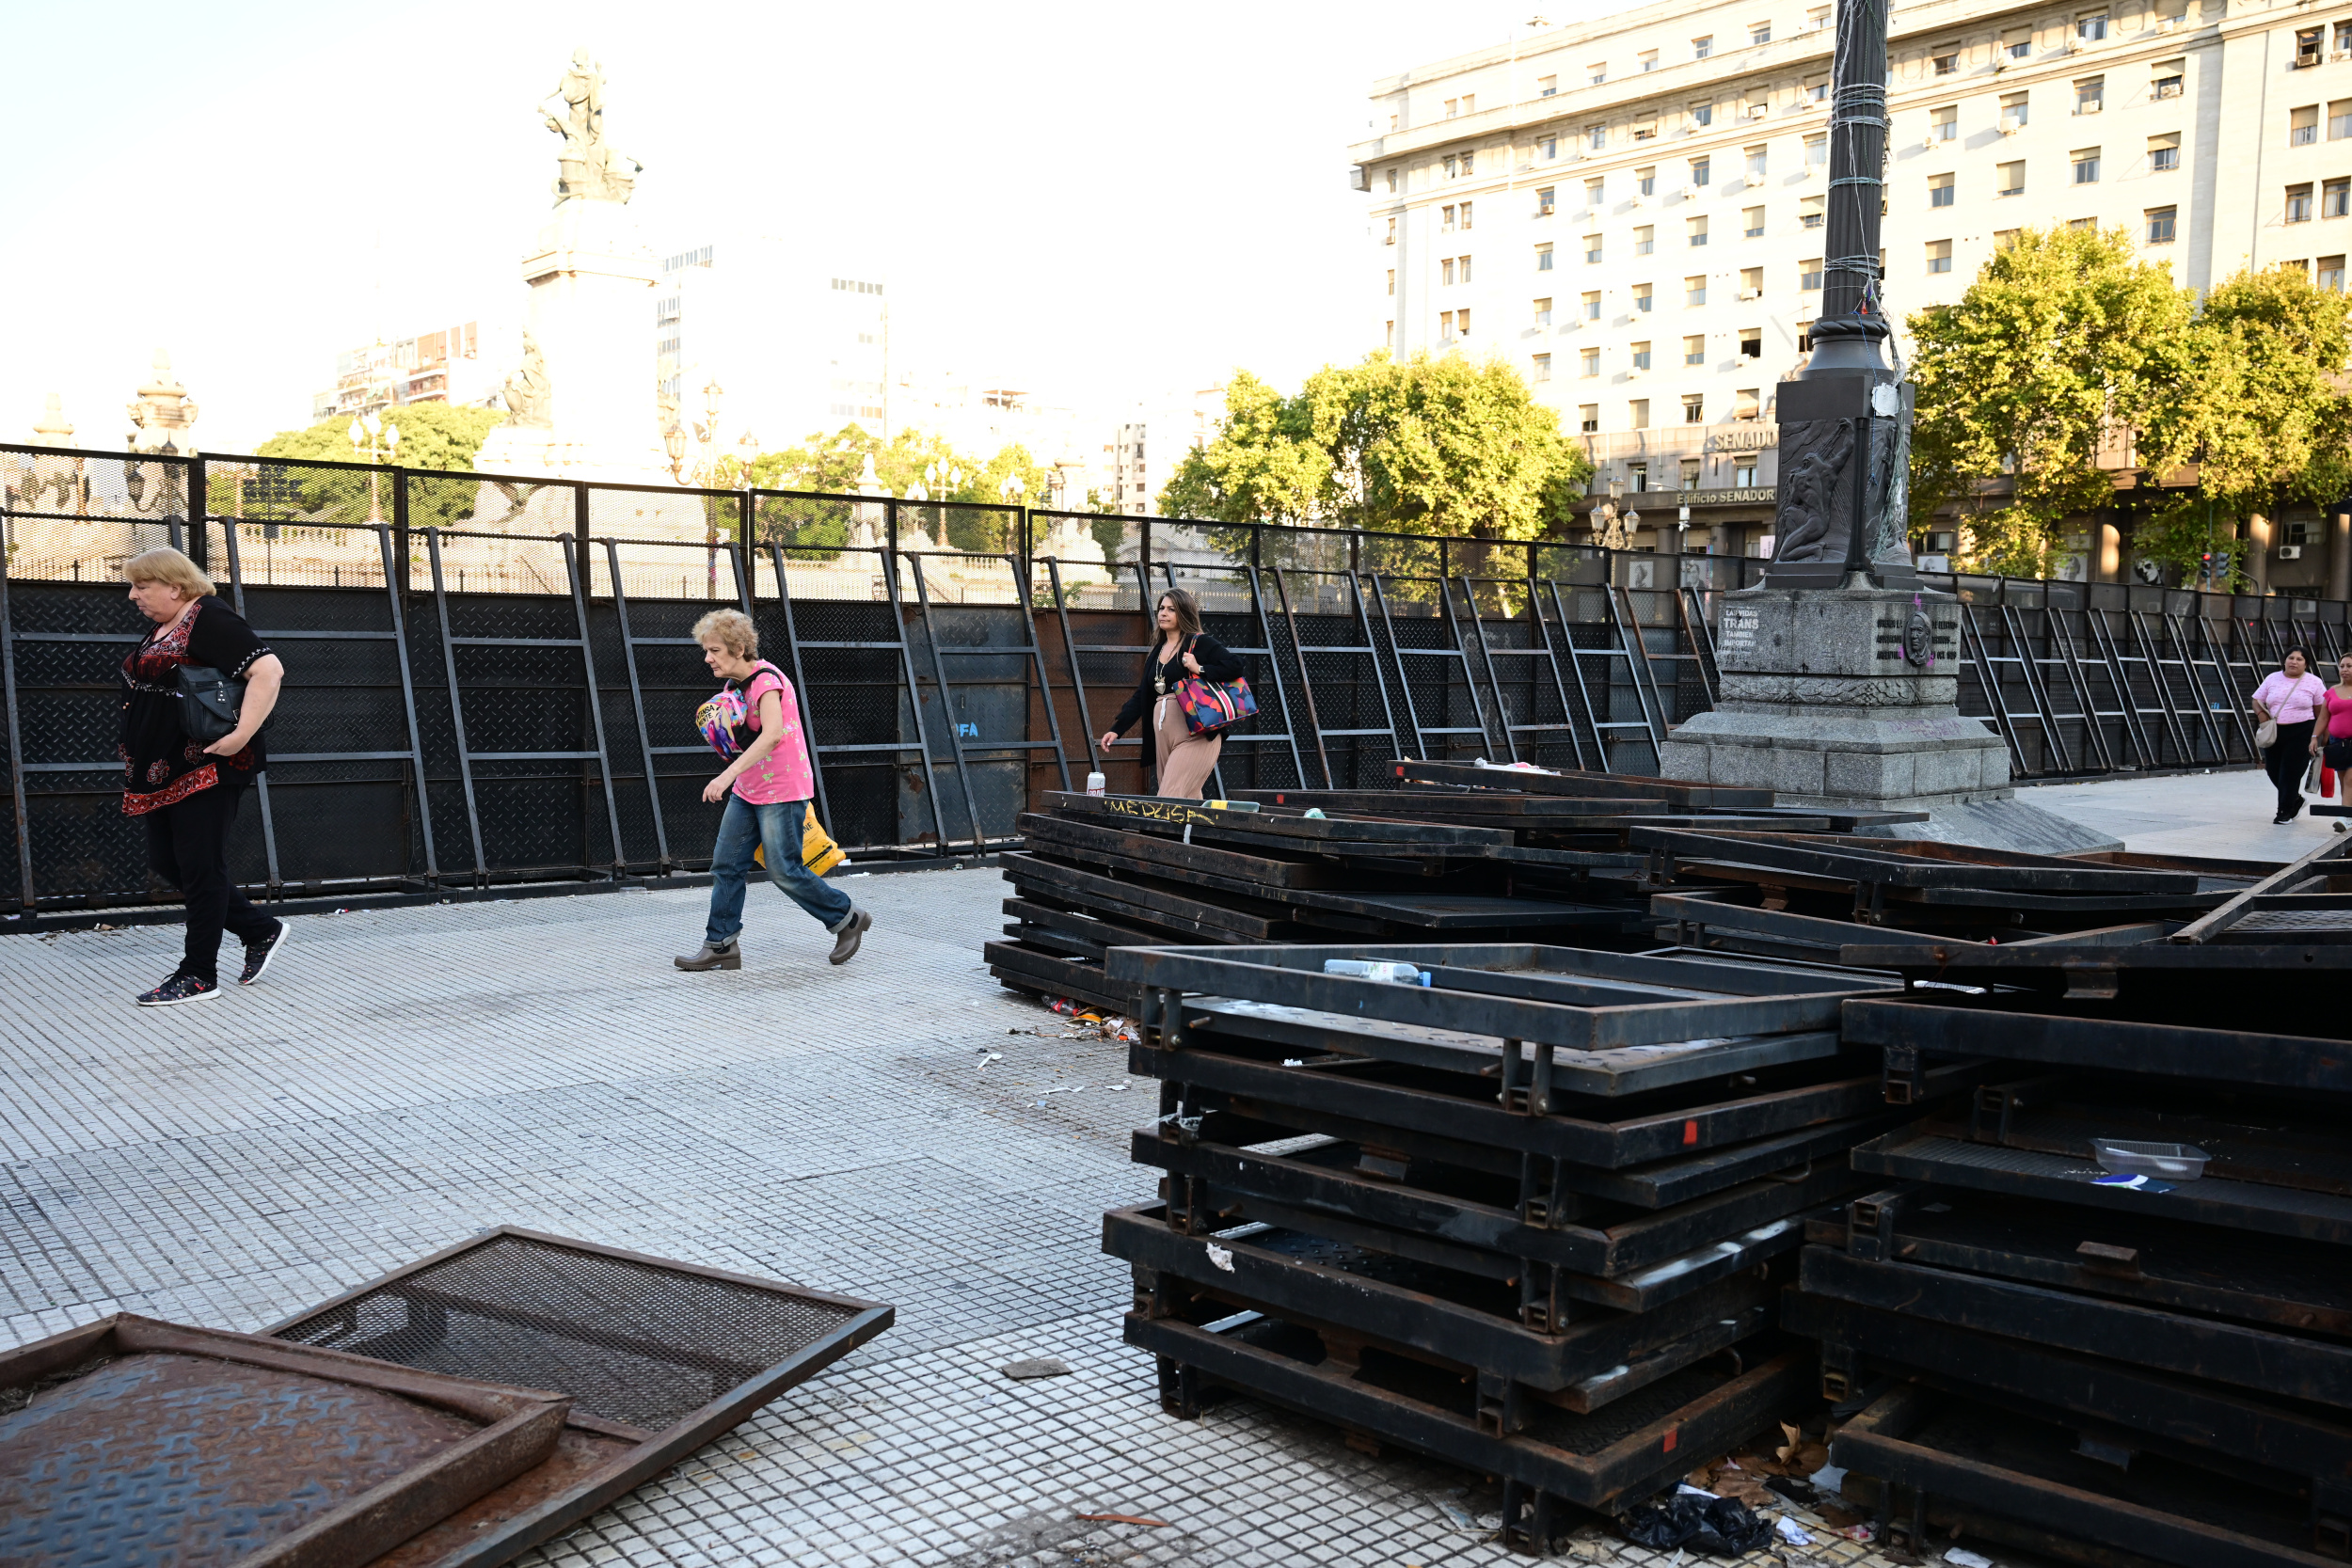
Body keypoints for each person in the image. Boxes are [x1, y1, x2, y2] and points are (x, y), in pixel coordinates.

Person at [119, 546, 287, 1006]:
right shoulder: (167, 623)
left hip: (207, 764)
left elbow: (268, 671)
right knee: (169, 862)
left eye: (142, 586)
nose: (134, 595)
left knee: (199, 866)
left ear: (175, 586)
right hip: (163, 768)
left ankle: (198, 975)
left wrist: (240, 736)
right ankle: (259, 929)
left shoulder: (210, 618)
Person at [675, 608, 869, 972]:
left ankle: (848, 918)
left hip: (782, 788)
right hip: (750, 789)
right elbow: (745, 736)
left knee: (784, 870)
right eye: (707, 650)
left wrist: (725, 776)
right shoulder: (734, 687)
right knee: (727, 865)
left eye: (714, 650)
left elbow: (772, 734)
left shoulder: (767, 680)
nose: (708, 658)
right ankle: (720, 945)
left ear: (737, 648)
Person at [1098, 588, 1248, 800]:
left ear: (1184, 613)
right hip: (1163, 736)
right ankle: (1196, 833)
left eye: (1171, 609)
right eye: (1161, 608)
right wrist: (1117, 729)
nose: (1163, 613)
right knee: (1186, 799)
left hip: (1196, 734)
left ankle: (1157, 834)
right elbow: (1143, 694)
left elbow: (1236, 665)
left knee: (1169, 797)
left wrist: (1200, 669)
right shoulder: (1157, 651)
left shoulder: (1198, 643)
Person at [2252, 646, 2328, 824]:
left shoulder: (2314, 682)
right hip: (2276, 731)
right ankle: (2296, 800)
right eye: (2291, 658)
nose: (2294, 662)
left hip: (2302, 731)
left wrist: (2319, 736)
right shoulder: (2272, 678)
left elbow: (2321, 712)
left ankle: (2284, 813)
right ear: (2284, 660)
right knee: (2273, 771)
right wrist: (2262, 716)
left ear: (2306, 664)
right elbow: (2257, 699)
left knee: (2290, 773)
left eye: (2299, 659)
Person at [2315, 651, 2352, 832]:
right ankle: (2349, 815)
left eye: (2349, 666)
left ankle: (2345, 817)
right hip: (2338, 742)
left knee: (2351, 779)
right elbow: (2323, 718)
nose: (2345, 669)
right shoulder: (2331, 692)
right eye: (2342, 666)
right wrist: (2315, 738)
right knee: (2344, 778)